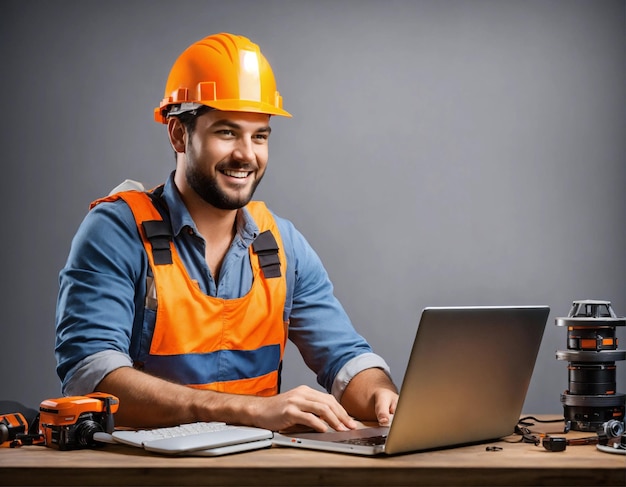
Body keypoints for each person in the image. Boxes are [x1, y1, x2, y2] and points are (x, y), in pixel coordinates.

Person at [55, 32, 398, 433]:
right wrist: (251, 410)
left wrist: (380, 396)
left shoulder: (281, 244)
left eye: (260, 136)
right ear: (179, 134)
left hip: (258, 469)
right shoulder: (117, 232)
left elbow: (345, 358)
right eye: (226, 132)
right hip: (146, 472)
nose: (246, 154)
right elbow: (91, 376)